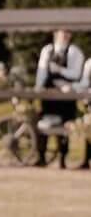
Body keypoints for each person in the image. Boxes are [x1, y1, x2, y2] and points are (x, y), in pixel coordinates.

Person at [35, 29, 86, 169]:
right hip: (49, 95)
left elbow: (76, 74)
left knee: (65, 126)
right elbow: (41, 71)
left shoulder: (74, 52)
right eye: (61, 32)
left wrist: (59, 70)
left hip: (66, 97)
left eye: (67, 33)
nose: (64, 35)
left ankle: (62, 159)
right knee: (43, 123)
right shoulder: (47, 50)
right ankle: (41, 157)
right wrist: (39, 88)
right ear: (55, 34)